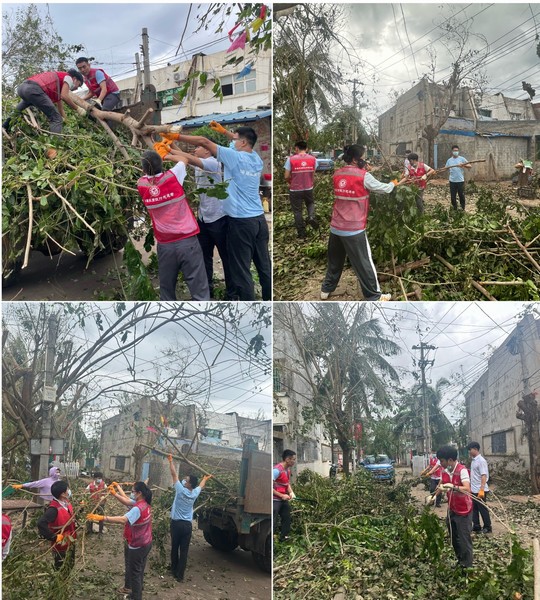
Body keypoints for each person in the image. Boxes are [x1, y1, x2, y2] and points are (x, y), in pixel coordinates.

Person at [167, 126, 271, 301]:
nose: (231, 142)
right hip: (259, 220)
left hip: (241, 222)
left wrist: (174, 136)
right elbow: (238, 141)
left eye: (234, 139)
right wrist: (225, 132)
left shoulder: (234, 157)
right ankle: (268, 300)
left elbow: (203, 141)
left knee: (241, 270)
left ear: (243, 142)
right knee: (264, 266)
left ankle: (248, 306)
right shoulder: (256, 159)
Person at [320, 144, 407, 301]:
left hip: (336, 227)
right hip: (354, 229)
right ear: (355, 159)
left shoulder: (337, 173)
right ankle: (374, 295)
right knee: (364, 263)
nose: (365, 160)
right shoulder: (363, 176)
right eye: (363, 157)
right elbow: (383, 188)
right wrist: (394, 183)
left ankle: (326, 290)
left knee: (334, 261)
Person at [160, 139, 234, 299]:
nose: (194, 150)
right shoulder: (199, 163)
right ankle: (208, 288)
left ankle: (232, 293)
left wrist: (166, 154)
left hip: (219, 218)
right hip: (203, 219)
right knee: (204, 257)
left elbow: (188, 158)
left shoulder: (213, 164)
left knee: (226, 258)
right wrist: (169, 142)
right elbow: (187, 157)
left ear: (207, 150)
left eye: (198, 147)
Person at [137, 148, 209, 301]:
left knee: (167, 289)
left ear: (143, 170)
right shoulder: (173, 177)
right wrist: (166, 154)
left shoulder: (142, 185)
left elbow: (149, 175)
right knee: (199, 289)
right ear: (162, 164)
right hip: (188, 242)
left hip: (165, 246)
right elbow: (185, 160)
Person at [87, 481, 153, 600]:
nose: (131, 494)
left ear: (139, 493)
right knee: (139, 570)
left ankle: (136, 597)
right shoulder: (144, 503)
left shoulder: (137, 509)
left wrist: (103, 518)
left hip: (137, 545)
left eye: (133, 491)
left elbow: (123, 520)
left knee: (135, 573)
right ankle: (136, 593)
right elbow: (127, 501)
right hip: (146, 542)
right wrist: (115, 494)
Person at [167, 454, 212, 582]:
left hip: (176, 524)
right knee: (184, 551)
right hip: (187, 526)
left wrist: (170, 461)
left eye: (186, 480)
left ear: (189, 484)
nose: (184, 481)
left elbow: (174, 475)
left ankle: (174, 570)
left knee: (175, 548)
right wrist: (205, 478)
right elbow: (201, 486)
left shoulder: (180, 490)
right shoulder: (194, 493)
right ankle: (180, 576)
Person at [3, 70, 85, 134]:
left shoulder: (59, 85)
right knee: (56, 119)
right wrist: (78, 108)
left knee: (17, 111)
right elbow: (65, 96)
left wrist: (66, 120)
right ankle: (55, 148)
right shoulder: (69, 77)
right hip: (34, 89)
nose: (77, 88)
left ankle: (4, 128)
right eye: (79, 84)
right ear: (75, 79)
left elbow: (60, 107)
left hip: (23, 88)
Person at [435, 445, 473, 569]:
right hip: (452, 510)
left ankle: (467, 567)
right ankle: (460, 560)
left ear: (450, 460)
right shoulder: (445, 471)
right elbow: (441, 484)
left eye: (442, 461)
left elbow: (467, 488)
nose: (441, 463)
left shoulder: (462, 470)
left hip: (464, 511)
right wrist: (434, 496)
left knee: (464, 539)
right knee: (453, 537)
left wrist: (453, 486)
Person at [37, 480, 77, 570]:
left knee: (70, 564)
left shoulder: (66, 503)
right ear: (62, 494)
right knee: (60, 567)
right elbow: (41, 523)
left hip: (71, 540)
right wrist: (53, 537)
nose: (69, 491)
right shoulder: (53, 509)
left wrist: (81, 508)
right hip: (61, 544)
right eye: (67, 489)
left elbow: (70, 516)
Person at [284, 141, 319, 238]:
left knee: (297, 211)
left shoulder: (290, 159)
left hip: (295, 189)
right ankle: (311, 216)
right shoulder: (313, 159)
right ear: (306, 149)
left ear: (296, 148)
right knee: (310, 203)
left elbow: (286, 176)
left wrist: (290, 182)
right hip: (308, 188)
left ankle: (301, 233)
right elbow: (313, 174)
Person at [467, 441, 492, 534]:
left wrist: (481, 490)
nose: (469, 451)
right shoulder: (473, 461)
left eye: (470, 450)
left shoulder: (481, 461)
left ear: (476, 449)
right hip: (473, 489)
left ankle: (487, 527)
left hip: (480, 490)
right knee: (474, 509)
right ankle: (476, 526)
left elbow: (484, 476)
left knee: (483, 509)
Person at [273, 449, 296, 542]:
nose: (294, 461)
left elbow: (286, 483)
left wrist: (291, 493)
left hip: (282, 499)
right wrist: (281, 495)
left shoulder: (287, 470)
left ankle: (284, 537)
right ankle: (271, 539)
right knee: (273, 520)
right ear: (287, 459)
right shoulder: (276, 470)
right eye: (293, 459)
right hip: (274, 499)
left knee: (287, 516)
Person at [445, 145, 472, 210]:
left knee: (461, 195)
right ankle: (454, 208)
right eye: (454, 151)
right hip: (452, 181)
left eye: (457, 151)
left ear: (458, 151)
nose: (456, 152)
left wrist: (463, 165)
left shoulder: (462, 159)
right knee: (453, 196)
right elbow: (446, 168)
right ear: (452, 151)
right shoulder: (449, 160)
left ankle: (462, 208)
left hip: (460, 181)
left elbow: (470, 166)